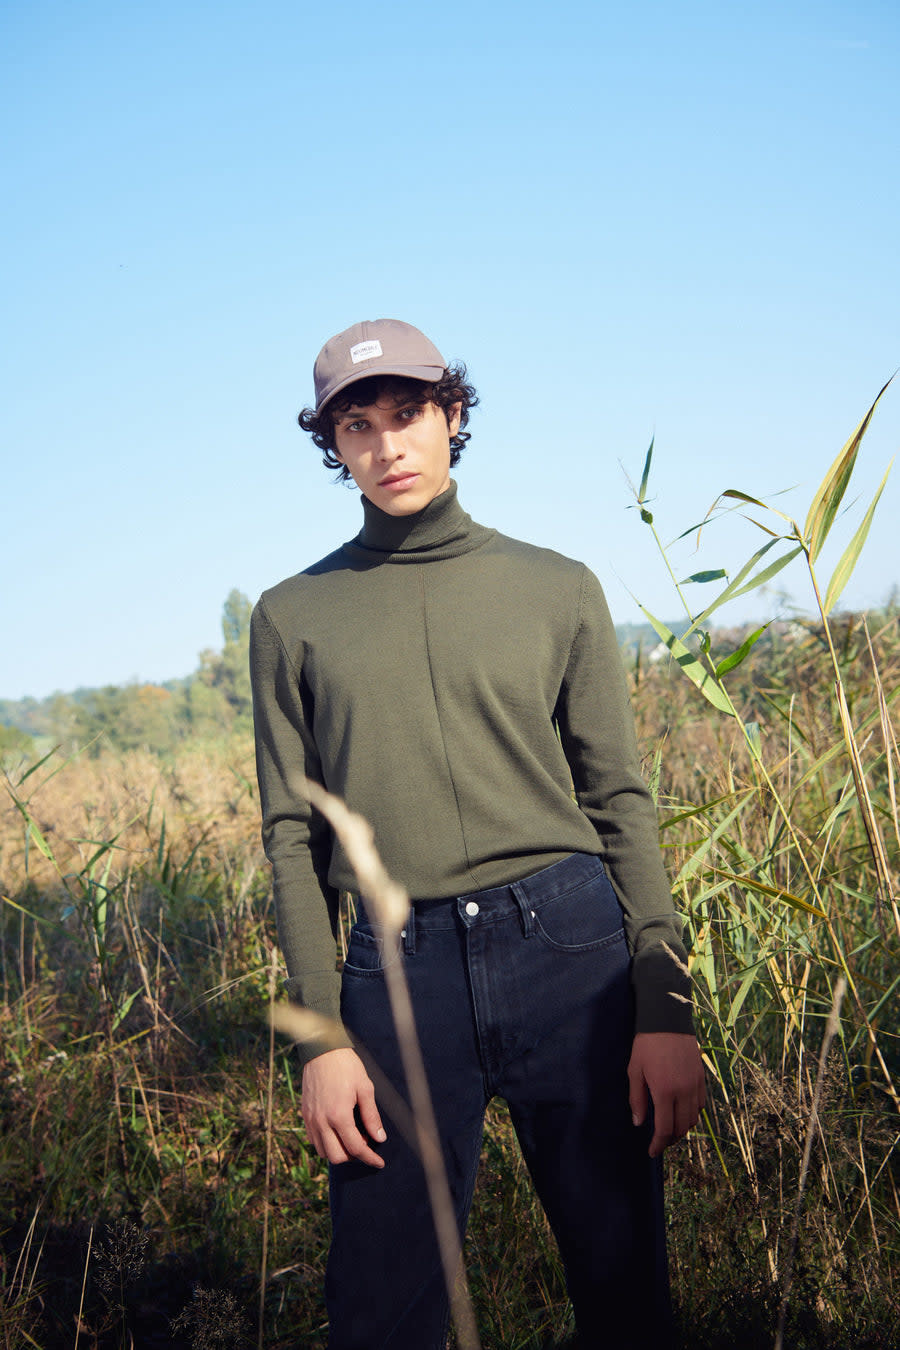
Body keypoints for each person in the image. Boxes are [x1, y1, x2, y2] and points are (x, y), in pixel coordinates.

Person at [249, 318, 706, 1349]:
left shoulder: (557, 588)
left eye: (408, 414)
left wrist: (664, 1003)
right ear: (334, 448)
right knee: (383, 1310)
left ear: (454, 415)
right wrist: (321, 1038)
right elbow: (289, 834)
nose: (387, 445)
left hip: (569, 950)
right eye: (357, 426)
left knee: (624, 1286)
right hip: (392, 970)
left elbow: (620, 801)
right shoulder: (292, 617)